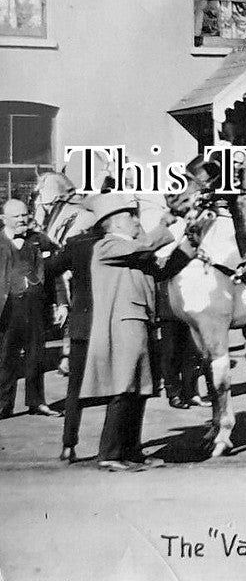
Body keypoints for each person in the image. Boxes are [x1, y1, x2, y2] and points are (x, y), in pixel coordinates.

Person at [80, 194, 194, 472]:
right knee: (124, 387)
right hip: (123, 324)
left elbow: (161, 270)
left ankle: (131, 450)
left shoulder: (131, 251)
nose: (136, 220)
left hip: (139, 322)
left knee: (139, 389)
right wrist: (166, 222)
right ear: (113, 222)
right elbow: (146, 246)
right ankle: (110, 453)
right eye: (130, 215)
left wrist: (191, 243)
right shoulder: (106, 246)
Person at [44, 205, 101, 462]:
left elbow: (47, 269)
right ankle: (119, 448)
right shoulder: (121, 243)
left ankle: (69, 445)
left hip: (82, 323)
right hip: (111, 325)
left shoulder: (77, 244)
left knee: (74, 389)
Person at [0, 199, 62, 419]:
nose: (21, 220)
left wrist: (61, 303)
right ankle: (3, 405)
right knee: (6, 357)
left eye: (24, 215)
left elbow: (56, 273)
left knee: (36, 355)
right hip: (7, 308)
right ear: (3, 218)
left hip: (35, 307)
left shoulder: (38, 241)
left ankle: (37, 402)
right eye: (16, 216)